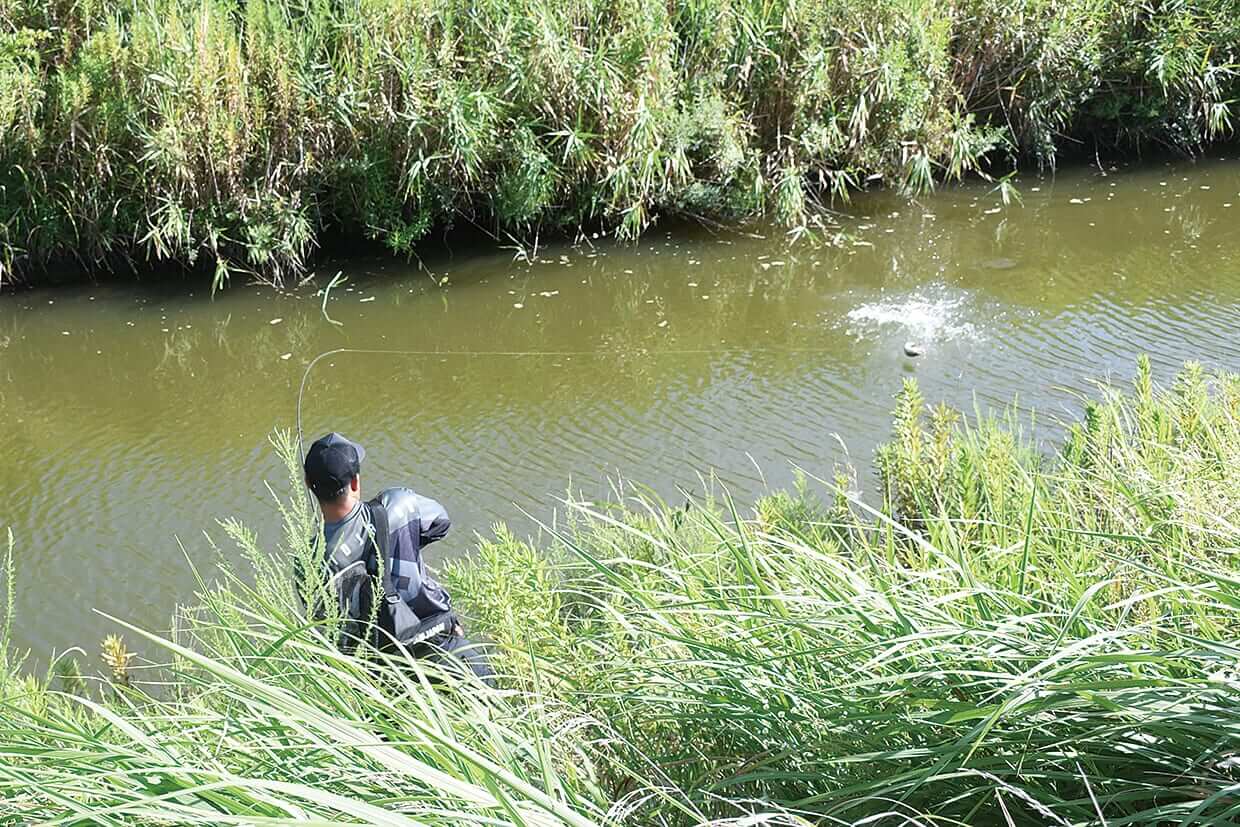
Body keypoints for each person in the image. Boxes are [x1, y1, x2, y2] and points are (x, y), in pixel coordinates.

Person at [301, 432, 493, 683]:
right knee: (495, 711)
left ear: (307, 483)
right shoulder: (398, 505)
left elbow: (328, 633)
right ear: (356, 482)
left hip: (386, 682)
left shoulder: (310, 561)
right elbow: (441, 524)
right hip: (445, 647)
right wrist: (401, 543)